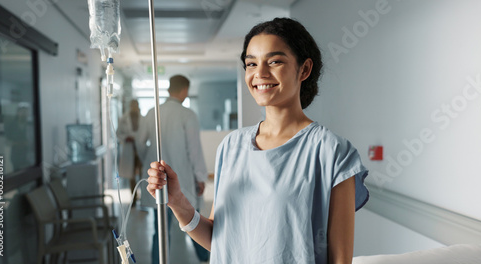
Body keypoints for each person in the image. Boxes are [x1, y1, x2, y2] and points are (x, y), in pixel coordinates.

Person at [147, 18, 369, 264]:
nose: (259, 74)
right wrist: (177, 201)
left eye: (274, 61)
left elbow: (340, 259)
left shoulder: (331, 152)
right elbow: (218, 240)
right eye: (251, 64)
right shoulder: (231, 146)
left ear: (304, 69)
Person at [137, 75, 209, 263]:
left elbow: (139, 142)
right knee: (193, 222)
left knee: (160, 230)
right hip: (183, 179)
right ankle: (205, 258)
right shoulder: (187, 115)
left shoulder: (152, 112)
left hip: (158, 181)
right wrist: (200, 177)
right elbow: (194, 150)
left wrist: (148, 159)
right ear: (184, 90)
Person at [116, 99, 143, 201]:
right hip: (129, 149)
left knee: (142, 174)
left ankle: (143, 197)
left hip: (140, 150)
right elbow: (119, 133)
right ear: (130, 106)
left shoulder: (142, 118)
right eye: (133, 105)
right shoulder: (124, 118)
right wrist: (126, 137)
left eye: (136, 105)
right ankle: (134, 198)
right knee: (131, 177)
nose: (134, 107)